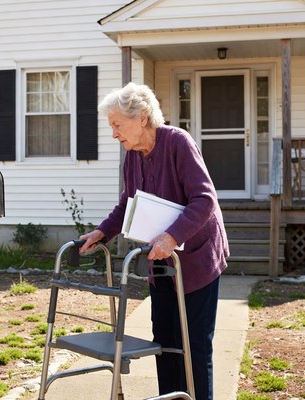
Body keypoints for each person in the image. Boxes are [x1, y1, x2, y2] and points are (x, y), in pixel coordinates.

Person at [79, 82, 230, 400]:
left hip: (196, 260)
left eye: (117, 125)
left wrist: (173, 236)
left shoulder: (178, 142)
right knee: (165, 344)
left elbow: (204, 199)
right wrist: (102, 232)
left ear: (142, 117)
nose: (114, 134)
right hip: (161, 262)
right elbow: (127, 203)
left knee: (194, 346)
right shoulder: (132, 156)